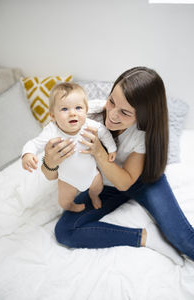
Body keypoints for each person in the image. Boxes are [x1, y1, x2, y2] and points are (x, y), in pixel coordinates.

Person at [41, 67, 194, 265]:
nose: (112, 115)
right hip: (105, 186)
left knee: (185, 241)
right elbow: (52, 173)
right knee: (65, 231)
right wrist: (50, 163)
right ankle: (145, 237)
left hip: (142, 181)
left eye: (125, 112)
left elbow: (125, 183)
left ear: (142, 115)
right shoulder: (87, 115)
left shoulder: (143, 133)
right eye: (112, 101)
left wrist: (98, 152)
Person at [22, 82, 117, 212]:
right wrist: (28, 153)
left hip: (91, 174)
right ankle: (71, 206)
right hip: (67, 179)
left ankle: (93, 196)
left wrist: (111, 148)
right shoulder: (52, 130)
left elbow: (105, 133)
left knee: (98, 188)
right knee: (64, 201)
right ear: (53, 116)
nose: (72, 113)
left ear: (86, 110)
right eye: (65, 109)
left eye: (78, 108)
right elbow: (34, 143)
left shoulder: (89, 125)